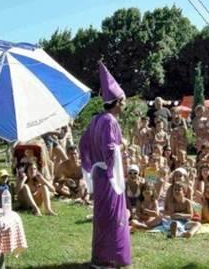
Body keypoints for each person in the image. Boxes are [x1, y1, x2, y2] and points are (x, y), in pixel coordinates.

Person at [78, 62, 131, 267]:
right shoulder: (110, 121)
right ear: (117, 102)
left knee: (103, 216)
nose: (125, 104)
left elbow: (83, 144)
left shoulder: (96, 120)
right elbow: (111, 149)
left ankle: (101, 257)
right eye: (124, 101)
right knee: (112, 216)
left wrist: (92, 163)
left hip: (100, 173)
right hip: (109, 177)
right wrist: (123, 146)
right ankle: (111, 258)